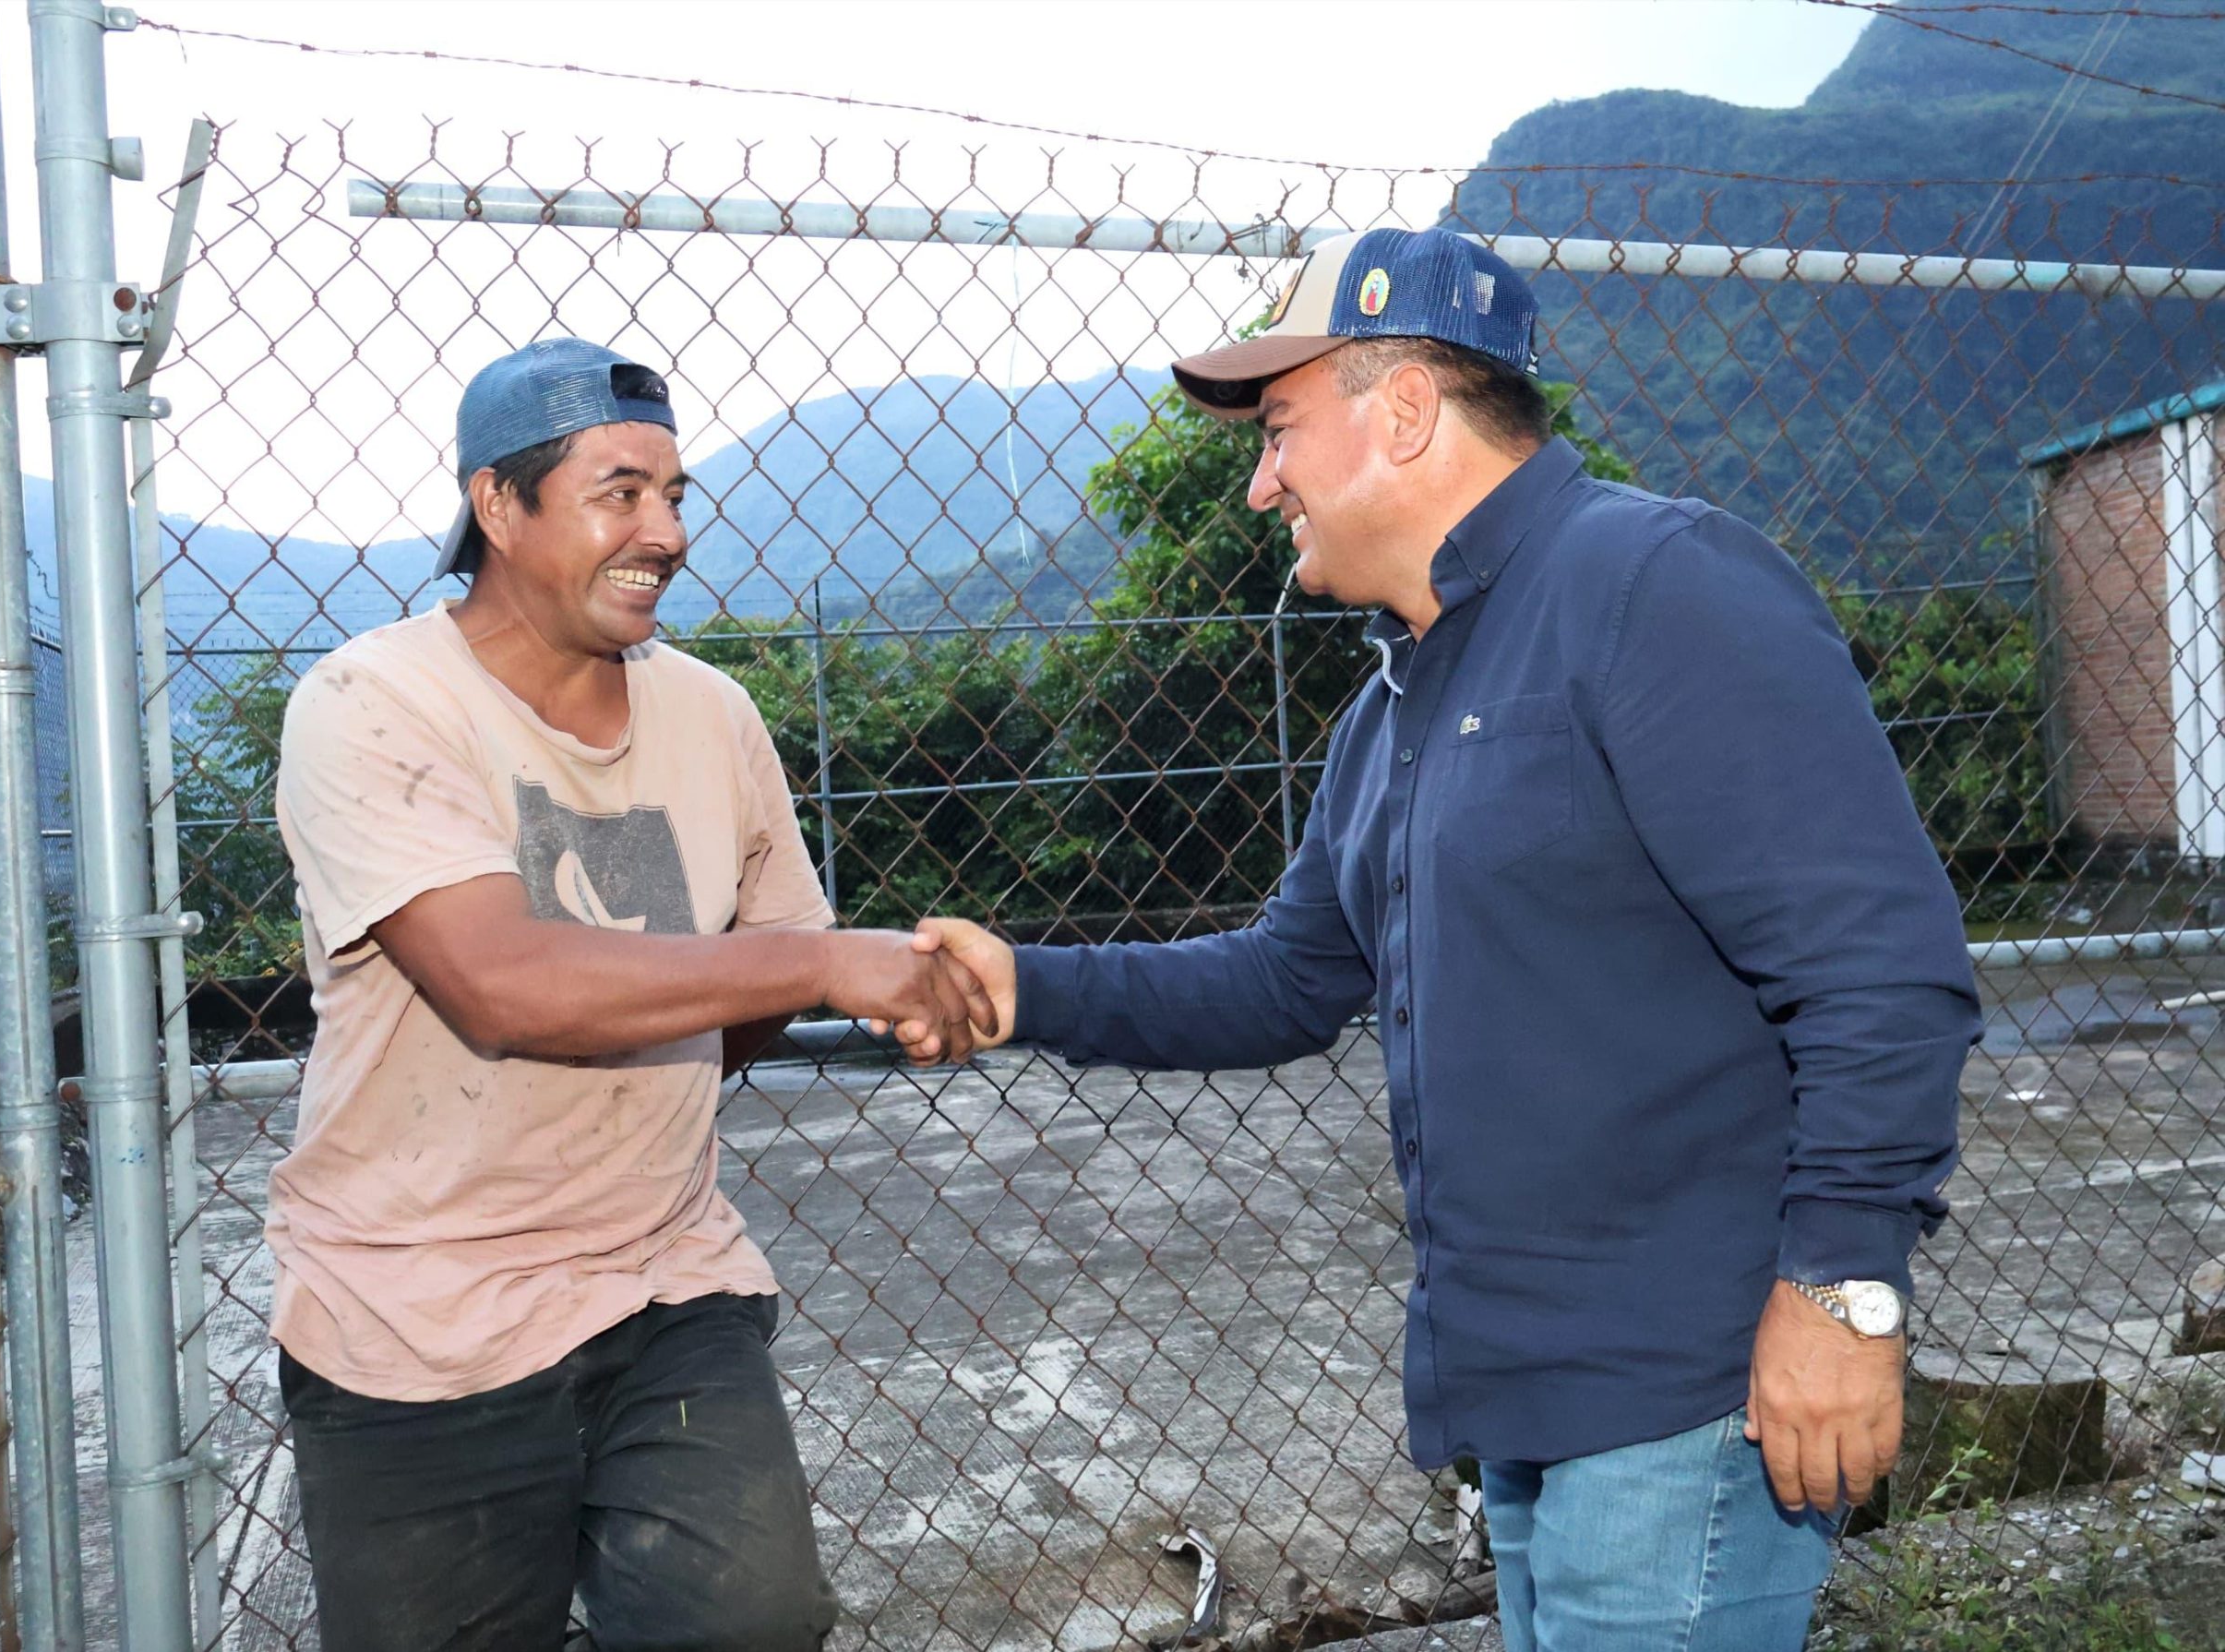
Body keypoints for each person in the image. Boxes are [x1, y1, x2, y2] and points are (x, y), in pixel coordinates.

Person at [913, 227, 1978, 1651]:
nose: (1261, 483)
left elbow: (1882, 970)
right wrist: (1024, 985)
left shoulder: (1655, 589)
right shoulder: (1394, 708)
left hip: (1687, 1397)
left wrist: (1842, 1290)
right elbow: (1284, 976)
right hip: (1533, 1409)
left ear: (1406, 408)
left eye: (1279, 430)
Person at [265, 337, 992, 1651]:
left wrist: (752, 994)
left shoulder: (712, 715)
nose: (665, 531)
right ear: (499, 505)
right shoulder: (373, 704)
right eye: (620, 493)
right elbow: (500, 984)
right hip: (417, 1311)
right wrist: (832, 964)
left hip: (663, 1278)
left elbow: (752, 979)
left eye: (674, 494)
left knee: (753, 1623)